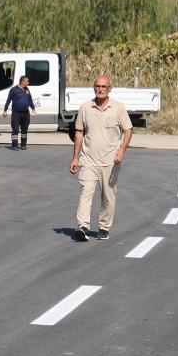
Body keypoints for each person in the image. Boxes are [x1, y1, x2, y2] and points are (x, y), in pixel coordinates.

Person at [68, 77, 133, 241]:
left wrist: (122, 150)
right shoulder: (85, 107)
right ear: (93, 88)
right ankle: (82, 226)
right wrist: (75, 158)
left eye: (104, 86)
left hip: (110, 161)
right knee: (85, 192)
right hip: (88, 160)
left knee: (108, 197)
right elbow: (79, 132)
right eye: (97, 86)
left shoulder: (118, 108)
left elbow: (128, 130)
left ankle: (104, 227)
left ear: (110, 89)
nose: (100, 89)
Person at [5, 74, 35, 150]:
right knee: (15, 129)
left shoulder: (27, 90)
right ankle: (14, 145)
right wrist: (5, 110)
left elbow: (30, 100)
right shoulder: (13, 90)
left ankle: (23, 145)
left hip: (26, 113)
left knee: (24, 130)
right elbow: (8, 100)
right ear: (22, 82)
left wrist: (33, 109)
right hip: (16, 113)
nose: (28, 83)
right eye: (27, 81)